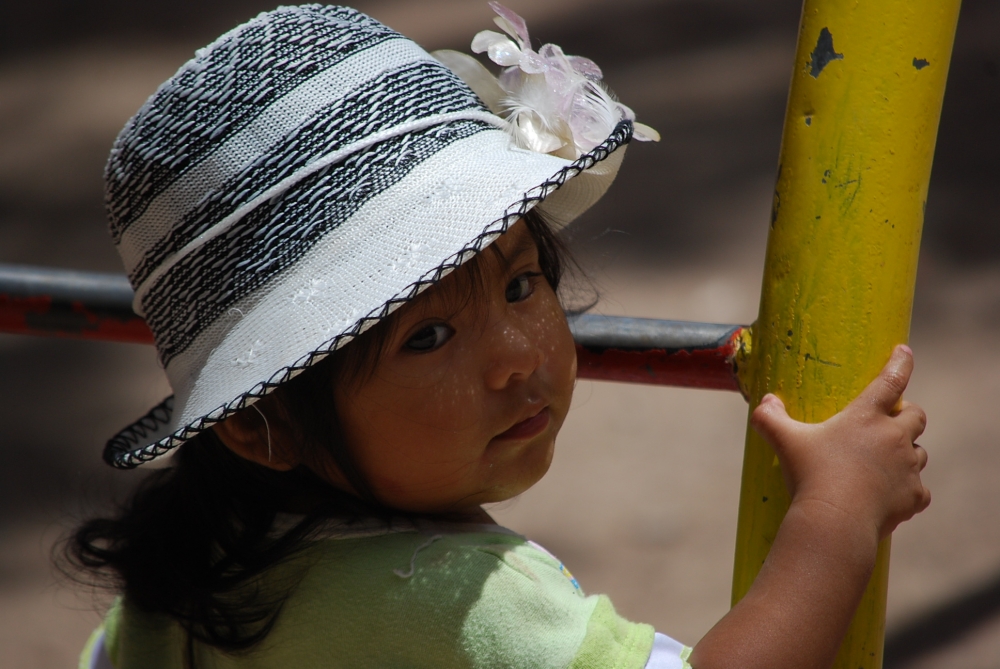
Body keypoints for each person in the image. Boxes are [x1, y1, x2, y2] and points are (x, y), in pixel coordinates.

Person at [69, 4, 930, 668]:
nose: (519, 353)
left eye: (522, 284)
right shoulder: (459, 602)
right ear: (266, 425)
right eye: (429, 335)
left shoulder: (177, 578)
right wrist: (838, 514)